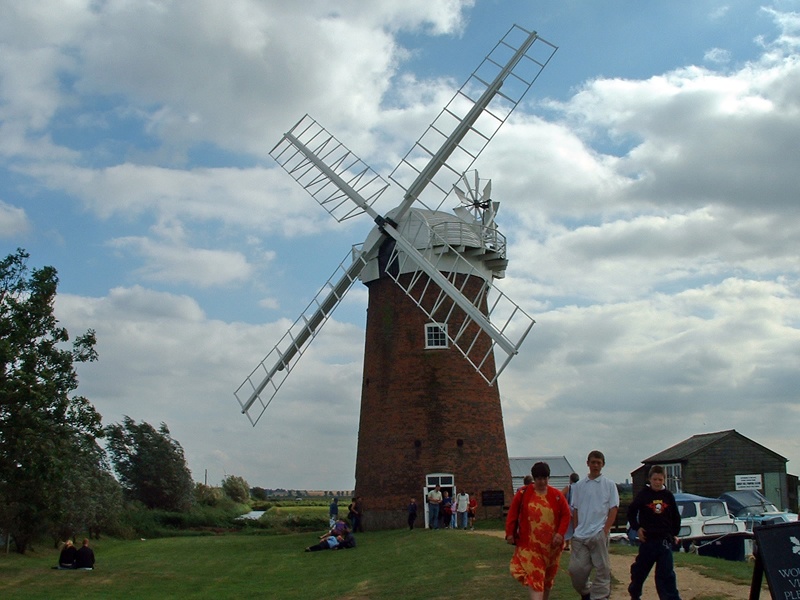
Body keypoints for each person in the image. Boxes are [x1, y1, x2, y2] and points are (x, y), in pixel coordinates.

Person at [505, 462, 571, 600]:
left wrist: (560, 533)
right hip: (530, 546)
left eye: (545, 478)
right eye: (539, 478)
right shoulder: (523, 493)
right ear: (534, 478)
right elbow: (513, 513)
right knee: (536, 580)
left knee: (547, 582)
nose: (542, 481)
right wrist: (510, 532)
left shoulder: (557, 495)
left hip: (551, 547)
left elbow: (566, 515)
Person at [568, 450, 619, 600]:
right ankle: (586, 592)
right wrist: (576, 529)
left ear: (603, 464)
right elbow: (575, 509)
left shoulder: (609, 485)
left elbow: (613, 508)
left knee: (602, 569)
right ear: (587, 463)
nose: (595, 465)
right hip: (580, 535)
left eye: (598, 462)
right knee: (576, 570)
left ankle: (601, 597)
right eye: (593, 462)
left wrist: (605, 530)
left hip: (598, 533)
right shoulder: (579, 486)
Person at [627, 465, 682, 600]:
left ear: (664, 480)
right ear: (650, 479)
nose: (657, 482)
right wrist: (637, 527)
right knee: (640, 571)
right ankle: (635, 593)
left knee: (666, 574)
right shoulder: (644, 495)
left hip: (664, 540)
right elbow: (631, 512)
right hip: (648, 540)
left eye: (660, 479)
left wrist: (674, 533)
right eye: (655, 479)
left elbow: (675, 516)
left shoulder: (668, 495)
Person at [562, 472, 580, 551]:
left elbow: (561, 495)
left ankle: (567, 544)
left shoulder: (569, 487)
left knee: (569, 527)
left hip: (570, 508)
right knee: (577, 526)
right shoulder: (581, 487)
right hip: (579, 509)